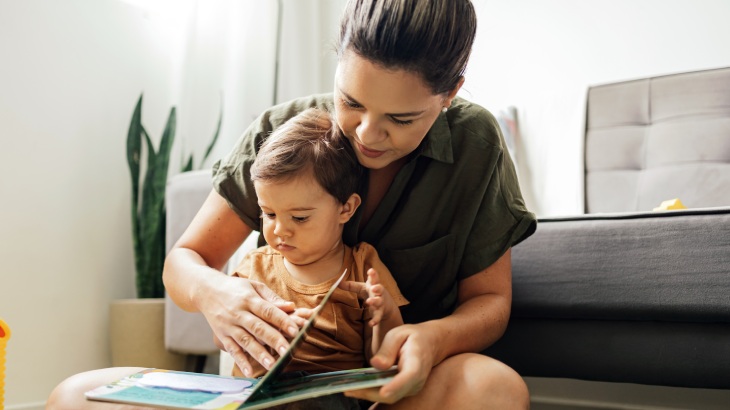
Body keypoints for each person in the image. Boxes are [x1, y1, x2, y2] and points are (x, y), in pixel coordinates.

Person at [48, 0, 536, 408]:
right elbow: (184, 261)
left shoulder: (476, 143)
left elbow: (490, 303)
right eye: (351, 102)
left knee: (493, 389)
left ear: (449, 93)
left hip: (391, 396)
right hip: (263, 392)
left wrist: (434, 339)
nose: (366, 134)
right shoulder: (282, 132)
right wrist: (214, 295)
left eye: (401, 119)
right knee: (75, 396)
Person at [224, 107, 408, 383]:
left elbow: (380, 359)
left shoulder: (362, 267)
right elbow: (222, 335)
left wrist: (386, 315)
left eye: (299, 217)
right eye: (269, 214)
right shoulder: (254, 267)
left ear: (346, 209)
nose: (279, 229)